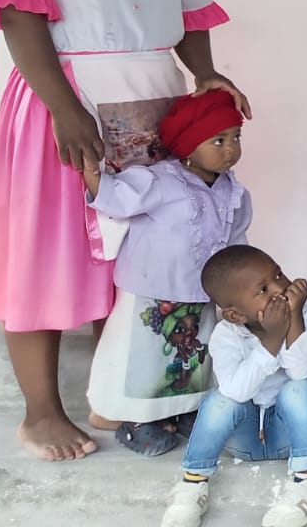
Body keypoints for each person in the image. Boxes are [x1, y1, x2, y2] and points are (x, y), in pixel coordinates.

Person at [0, 0, 245, 462]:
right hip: (67, 102)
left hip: (151, 107)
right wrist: (64, 111)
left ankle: (115, 394)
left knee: (136, 257)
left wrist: (204, 75)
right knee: (49, 253)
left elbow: (190, 13)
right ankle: (41, 414)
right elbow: (19, 14)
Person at [83, 90, 251, 455]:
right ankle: (134, 419)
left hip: (201, 294)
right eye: (218, 140)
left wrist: (240, 291)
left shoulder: (234, 192)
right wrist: (88, 166)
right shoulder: (159, 181)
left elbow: (237, 244)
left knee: (192, 360)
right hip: (151, 292)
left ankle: (181, 411)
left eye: (235, 137)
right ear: (189, 146)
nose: (230, 149)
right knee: (144, 361)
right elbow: (114, 198)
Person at [160, 245, 307, 527]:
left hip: (291, 437)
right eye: (263, 289)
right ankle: (192, 486)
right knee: (219, 400)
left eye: (278, 274)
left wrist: (293, 320)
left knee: (298, 389)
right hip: (245, 439)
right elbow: (236, 392)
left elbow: (301, 371)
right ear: (235, 315)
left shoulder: (305, 314)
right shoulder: (226, 335)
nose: (279, 287)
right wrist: (271, 341)